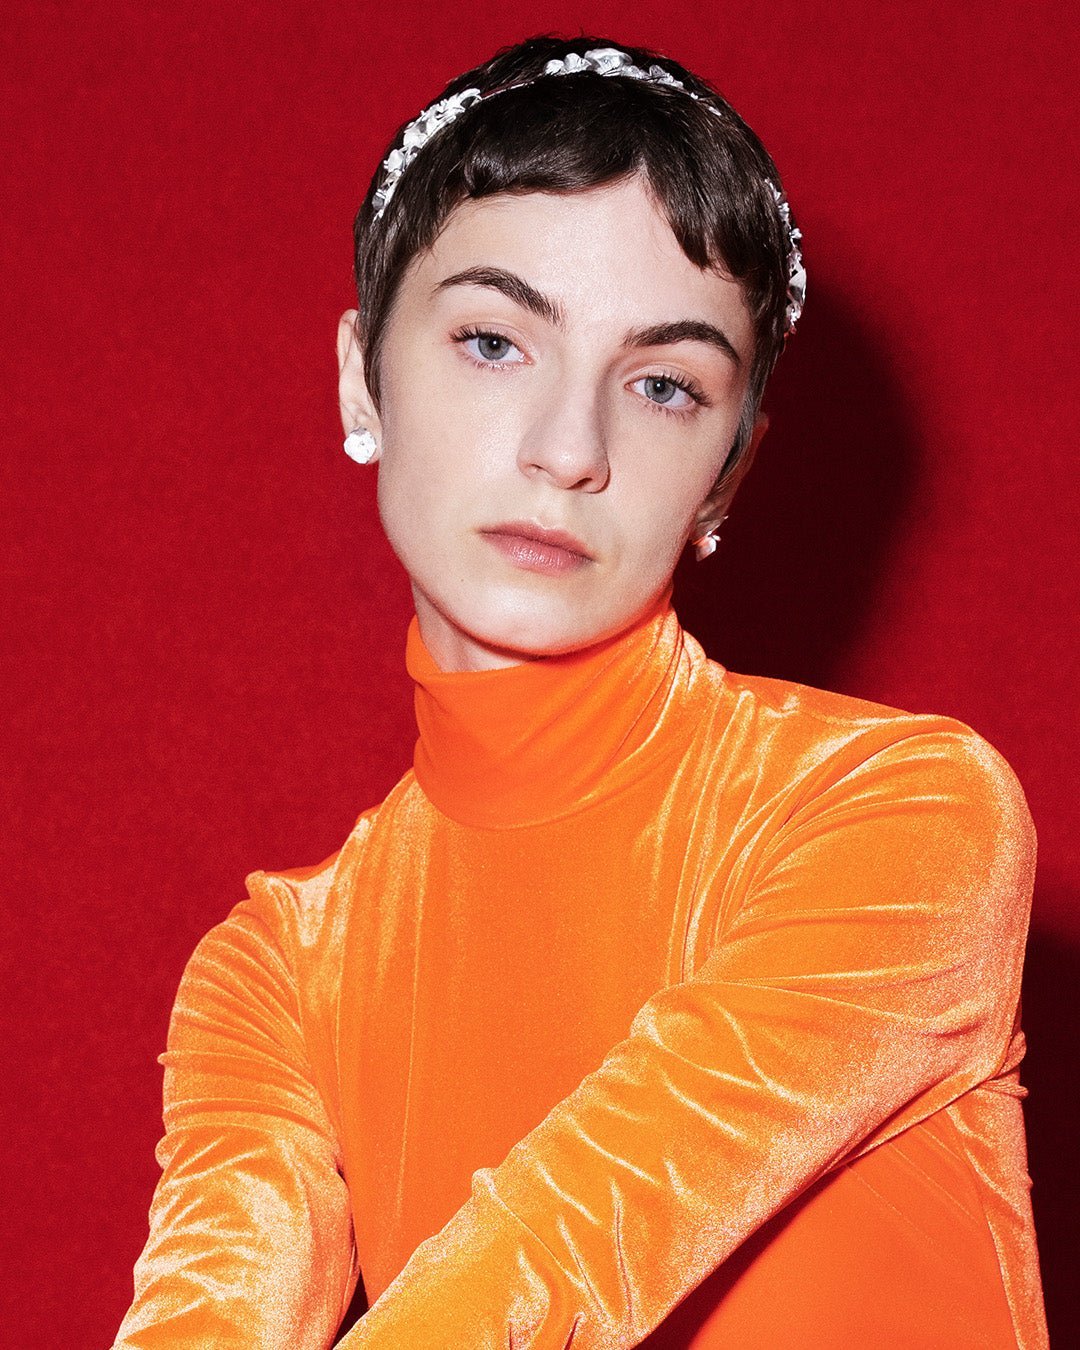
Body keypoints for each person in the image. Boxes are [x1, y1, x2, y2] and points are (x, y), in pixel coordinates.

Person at [112, 33, 1047, 1349]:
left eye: (662, 385)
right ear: (361, 378)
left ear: (727, 472)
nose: (570, 449)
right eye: (496, 342)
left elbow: (551, 1261)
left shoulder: (901, 814)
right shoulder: (275, 975)